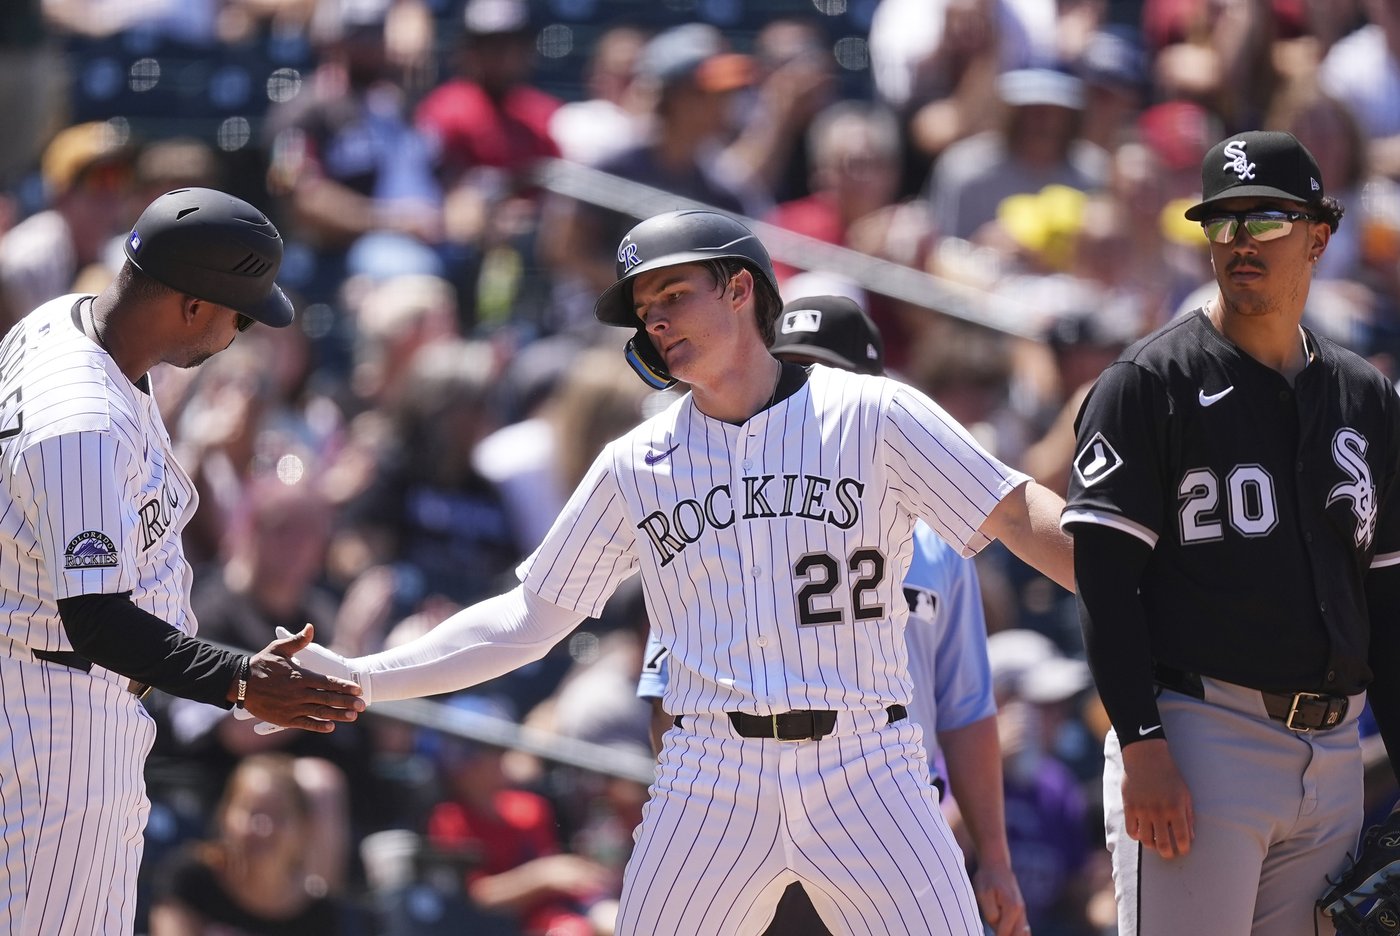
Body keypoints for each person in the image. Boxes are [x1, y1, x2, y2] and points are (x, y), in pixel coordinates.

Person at [280, 208, 1073, 935]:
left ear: (739, 290)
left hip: (867, 762)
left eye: (671, 294)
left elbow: (1016, 511)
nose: (655, 320)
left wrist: (1154, 598)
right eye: (642, 308)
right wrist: (362, 676)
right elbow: (529, 616)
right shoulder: (637, 463)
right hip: (710, 777)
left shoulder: (874, 412)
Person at [0, 186, 364, 935]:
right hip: (54, 710)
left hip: (60, 688)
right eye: (238, 312)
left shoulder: (67, 323)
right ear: (192, 306)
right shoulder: (81, 421)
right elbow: (96, 620)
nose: (240, 331)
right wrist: (239, 680)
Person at [1062, 130, 1400, 936]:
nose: (1240, 241)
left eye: (1266, 220)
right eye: (1223, 223)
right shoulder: (1148, 383)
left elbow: (1385, 605)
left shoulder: (1366, 398)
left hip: (1336, 753)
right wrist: (1142, 744)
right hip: (1200, 738)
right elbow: (1105, 583)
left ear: (1320, 236)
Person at [635, 294, 1028, 936]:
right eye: (789, 369)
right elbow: (665, 702)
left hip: (892, 819)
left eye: (821, 374)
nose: (797, 392)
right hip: (752, 820)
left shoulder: (936, 535)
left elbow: (966, 709)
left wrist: (996, 859)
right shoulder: (710, 521)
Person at [148, 753, 370, 935]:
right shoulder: (189, 879)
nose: (264, 828)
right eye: (252, 812)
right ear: (225, 815)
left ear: (303, 828)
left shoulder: (323, 914)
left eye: (279, 815)